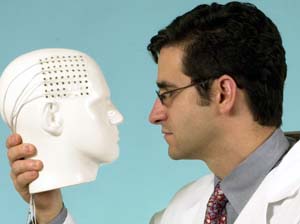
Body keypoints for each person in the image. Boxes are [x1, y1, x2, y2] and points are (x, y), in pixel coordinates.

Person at [5, 2, 300, 224]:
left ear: (223, 93)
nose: (154, 115)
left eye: (167, 94)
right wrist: (48, 211)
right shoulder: (179, 212)